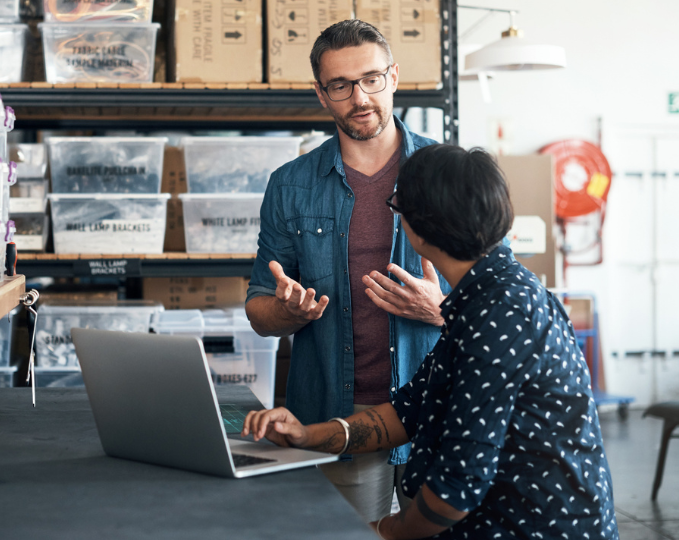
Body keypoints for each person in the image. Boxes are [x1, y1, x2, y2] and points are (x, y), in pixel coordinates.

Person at [243, 144, 619, 540]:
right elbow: (410, 410)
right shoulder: (482, 297)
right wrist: (308, 434)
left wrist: (380, 531)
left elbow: (456, 488)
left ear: (418, 228)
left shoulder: (499, 314)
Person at [245, 20, 452, 522]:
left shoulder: (451, 171)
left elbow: (510, 301)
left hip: (442, 413)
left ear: (394, 77)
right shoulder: (290, 185)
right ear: (321, 94)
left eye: (372, 79)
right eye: (341, 85)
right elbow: (257, 310)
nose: (360, 97)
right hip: (337, 418)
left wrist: (440, 309)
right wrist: (287, 312)